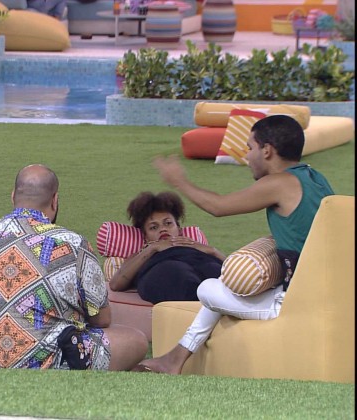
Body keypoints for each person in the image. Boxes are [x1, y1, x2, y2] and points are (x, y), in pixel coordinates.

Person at [138, 114, 335, 374]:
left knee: (208, 288)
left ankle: (173, 360)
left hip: (297, 301)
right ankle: (174, 359)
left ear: (267, 151)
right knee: (226, 286)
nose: (247, 156)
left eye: (250, 148)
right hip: (326, 292)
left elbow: (218, 207)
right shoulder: (315, 178)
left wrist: (178, 181)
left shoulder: (280, 183)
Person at [0, 164, 148, 370]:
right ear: (55, 200)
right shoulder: (73, 243)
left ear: (13, 196)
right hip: (40, 363)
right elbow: (101, 318)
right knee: (134, 340)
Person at [110, 191, 225, 304]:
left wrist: (213, 251)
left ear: (179, 229)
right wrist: (152, 248)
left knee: (213, 270)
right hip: (166, 270)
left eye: (168, 223)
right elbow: (115, 284)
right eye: (154, 227)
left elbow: (232, 271)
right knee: (177, 272)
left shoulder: (196, 247)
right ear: (146, 237)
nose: (163, 229)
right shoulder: (143, 254)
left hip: (201, 263)